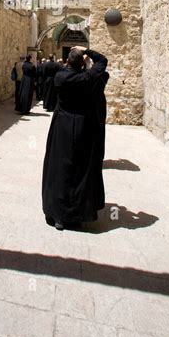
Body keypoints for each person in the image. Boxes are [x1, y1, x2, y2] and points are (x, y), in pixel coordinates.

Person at [42, 45, 108, 230]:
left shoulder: (60, 77)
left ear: (68, 62)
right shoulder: (87, 78)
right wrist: (87, 50)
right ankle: (76, 214)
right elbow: (102, 61)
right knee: (79, 169)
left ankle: (58, 215)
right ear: (82, 63)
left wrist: (79, 56)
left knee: (59, 168)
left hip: (61, 126)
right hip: (82, 127)